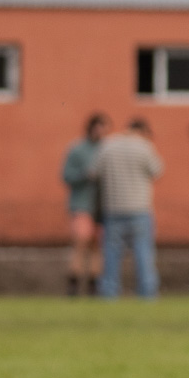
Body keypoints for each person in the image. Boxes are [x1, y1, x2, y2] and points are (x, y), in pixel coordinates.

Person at [92, 118, 164, 300]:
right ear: (142, 131)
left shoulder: (108, 145)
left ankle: (108, 294)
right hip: (139, 208)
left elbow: (94, 172)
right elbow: (158, 171)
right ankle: (147, 294)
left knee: (111, 255)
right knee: (143, 253)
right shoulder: (144, 147)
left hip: (113, 208)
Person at [61, 114, 109, 296]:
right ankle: (73, 284)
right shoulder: (77, 149)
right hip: (82, 204)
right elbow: (66, 176)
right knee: (81, 243)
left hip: (102, 206)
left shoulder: (107, 148)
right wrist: (84, 175)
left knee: (97, 246)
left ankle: (94, 286)